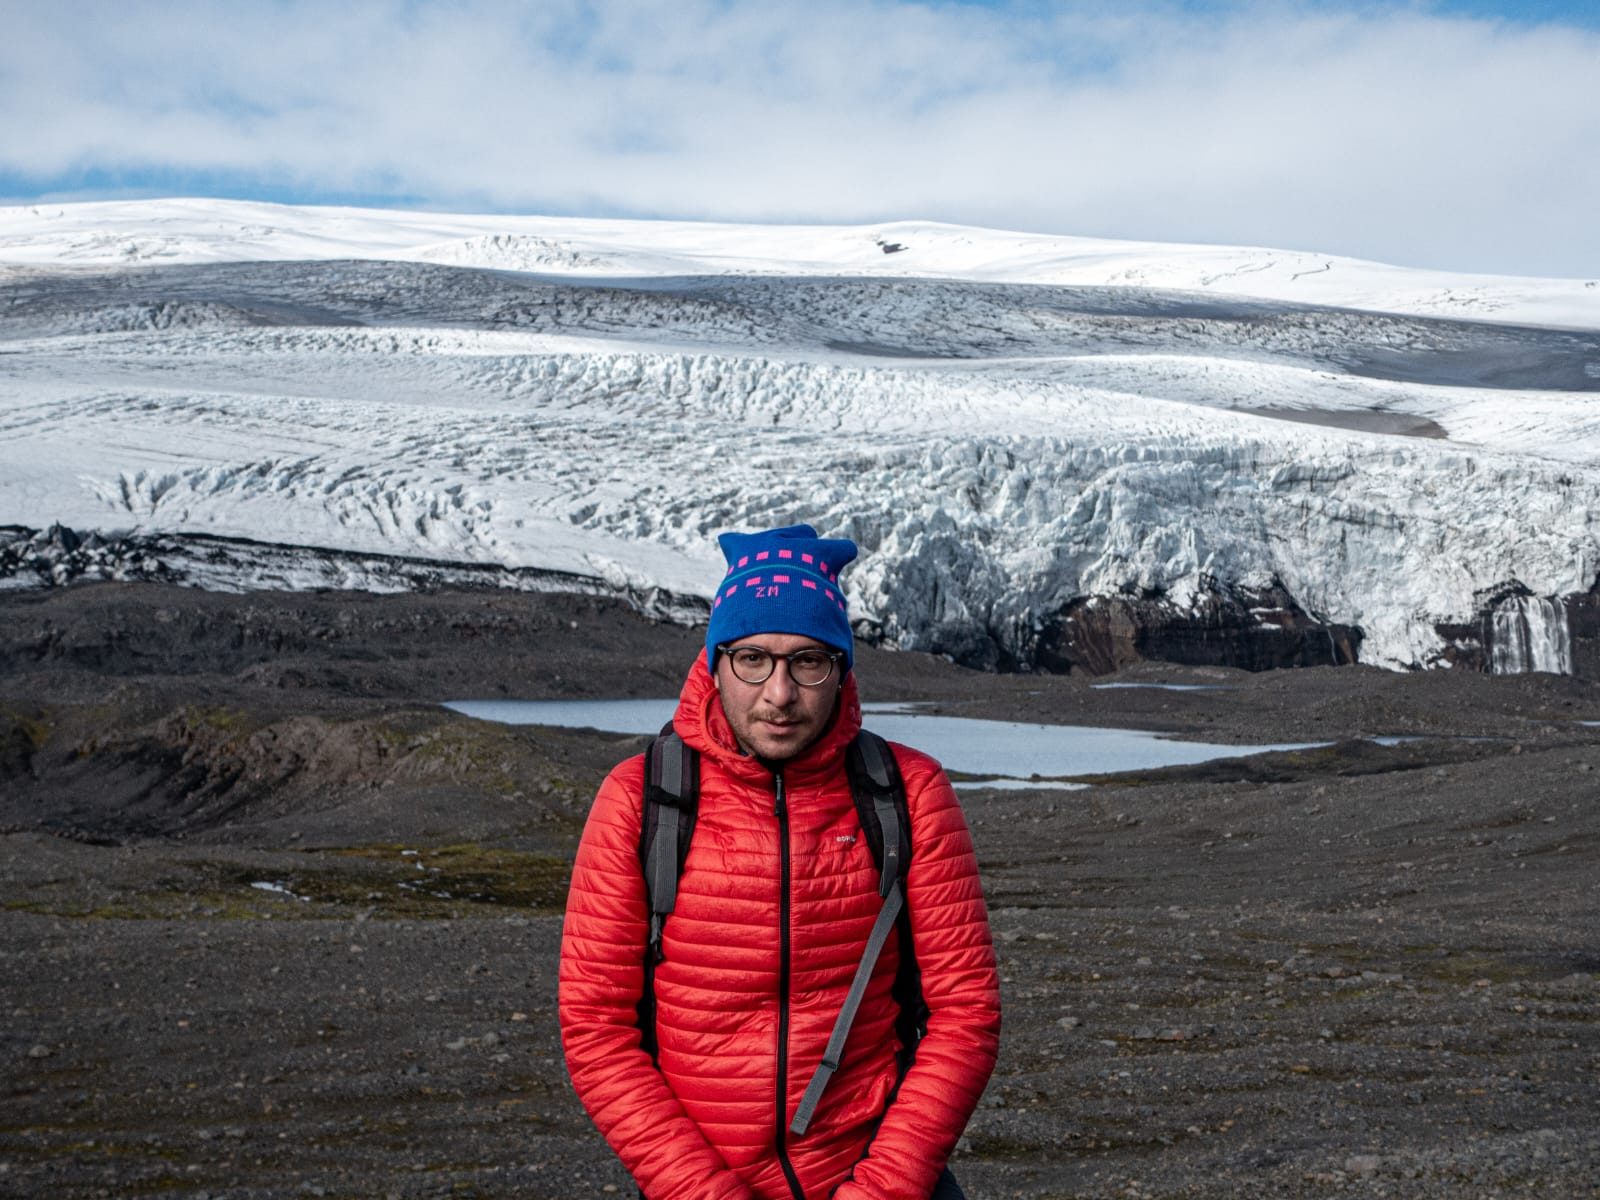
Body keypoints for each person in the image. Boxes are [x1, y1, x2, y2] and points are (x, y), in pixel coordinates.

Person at [559, 524, 1001, 1200]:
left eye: (808, 662)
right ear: (715, 661)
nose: (779, 693)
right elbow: (596, 1027)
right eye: (753, 660)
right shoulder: (641, 799)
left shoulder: (908, 793)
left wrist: (879, 1192)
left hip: (875, 1177)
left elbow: (965, 1012)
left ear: (841, 668)